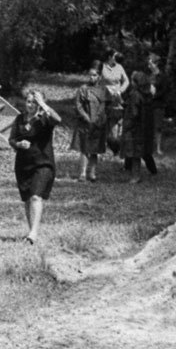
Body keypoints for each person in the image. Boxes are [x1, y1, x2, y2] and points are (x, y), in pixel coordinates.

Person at [10, 87, 62, 244]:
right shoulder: (20, 119)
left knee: (35, 196)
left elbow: (57, 119)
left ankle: (33, 233)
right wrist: (19, 144)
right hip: (23, 164)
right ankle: (31, 232)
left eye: (35, 102)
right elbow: (11, 139)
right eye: (29, 101)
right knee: (27, 198)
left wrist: (43, 105)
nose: (31, 105)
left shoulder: (45, 119)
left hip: (43, 163)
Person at [71, 63, 109, 182]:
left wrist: (98, 118)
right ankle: (82, 173)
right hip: (85, 123)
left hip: (98, 123)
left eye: (94, 75)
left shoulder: (103, 89)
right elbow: (78, 105)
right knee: (84, 148)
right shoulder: (83, 89)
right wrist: (86, 117)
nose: (91, 77)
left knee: (94, 149)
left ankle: (92, 173)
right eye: (90, 75)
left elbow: (104, 105)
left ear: (99, 77)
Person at [122, 70, 158, 182]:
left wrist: (128, 124)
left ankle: (135, 177)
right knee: (141, 151)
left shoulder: (135, 94)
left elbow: (134, 112)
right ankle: (146, 171)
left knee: (134, 152)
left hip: (135, 127)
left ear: (136, 83)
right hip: (145, 127)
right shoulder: (148, 94)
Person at [99, 51, 129, 159]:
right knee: (102, 123)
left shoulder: (119, 67)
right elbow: (97, 81)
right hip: (103, 98)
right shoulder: (102, 67)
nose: (116, 58)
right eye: (114, 56)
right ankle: (102, 148)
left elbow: (126, 81)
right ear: (109, 57)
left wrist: (120, 90)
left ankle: (114, 149)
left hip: (116, 100)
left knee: (114, 125)